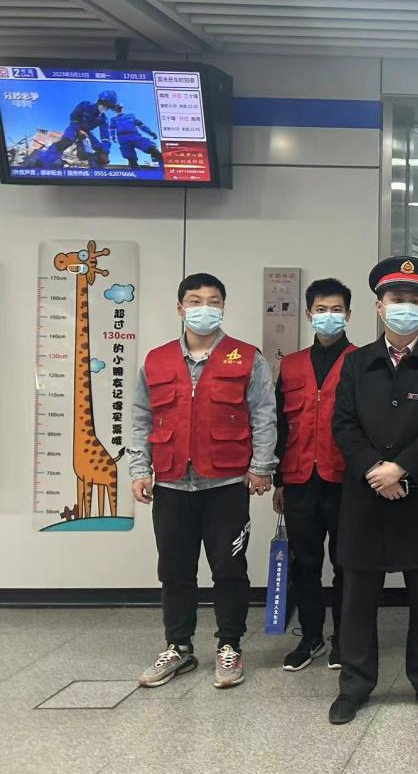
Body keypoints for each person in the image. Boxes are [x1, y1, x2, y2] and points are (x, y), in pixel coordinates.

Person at [327, 257, 418, 725]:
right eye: (396, 299)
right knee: (358, 597)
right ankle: (354, 685)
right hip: (366, 494)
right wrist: (375, 470)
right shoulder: (356, 362)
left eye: (413, 299)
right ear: (379, 306)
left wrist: (400, 469)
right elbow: (343, 423)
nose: (405, 306)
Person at [132, 273, 277, 690]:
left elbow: (264, 414)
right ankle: (178, 647)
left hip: (225, 485)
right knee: (174, 570)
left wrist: (262, 466)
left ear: (223, 307)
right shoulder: (157, 360)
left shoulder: (246, 357)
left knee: (229, 568)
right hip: (171, 484)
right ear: (180, 308)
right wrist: (140, 470)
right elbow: (141, 418)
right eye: (195, 301)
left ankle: (230, 645)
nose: (204, 308)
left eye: (213, 301)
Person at [272, 278, 355, 673]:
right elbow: (278, 424)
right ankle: (310, 637)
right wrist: (278, 480)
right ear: (308, 314)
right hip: (300, 478)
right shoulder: (290, 365)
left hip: (346, 480)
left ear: (348, 314)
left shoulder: (361, 360)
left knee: (346, 563)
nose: (328, 316)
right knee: (305, 562)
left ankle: (345, 638)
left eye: (336, 310)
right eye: (321, 310)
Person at [108, 105, 164, 170]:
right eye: (117, 108)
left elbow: (141, 125)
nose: (119, 109)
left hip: (135, 136)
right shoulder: (113, 119)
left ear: (123, 108)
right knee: (131, 158)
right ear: (115, 110)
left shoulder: (131, 116)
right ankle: (136, 171)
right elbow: (112, 129)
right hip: (123, 139)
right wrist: (113, 137)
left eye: (120, 108)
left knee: (152, 148)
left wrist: (150, 132)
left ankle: (163, 167)